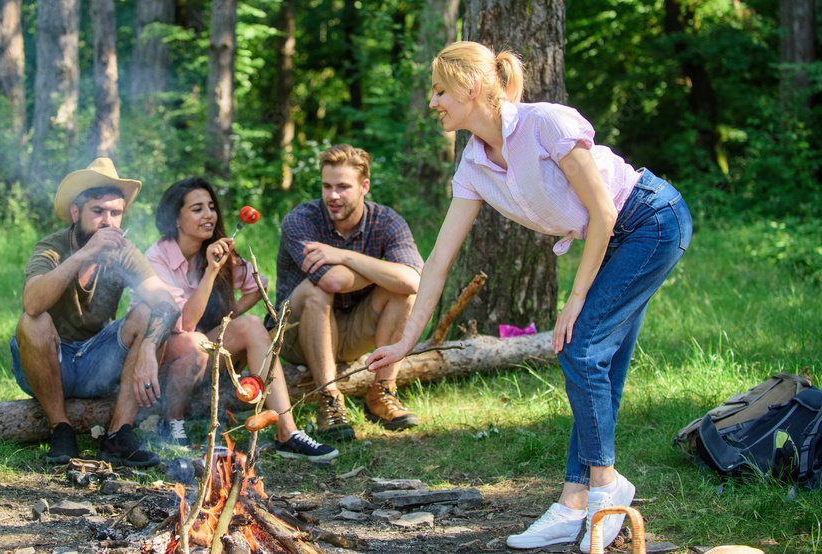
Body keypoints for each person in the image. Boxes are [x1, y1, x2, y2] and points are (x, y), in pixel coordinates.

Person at [365, 42, 692, 552]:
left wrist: (576, 295)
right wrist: (408, 340)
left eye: (439, 90)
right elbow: (437, 262)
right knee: (594, 362)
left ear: (471, 88)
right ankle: (573, 504)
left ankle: (607, 489)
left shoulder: (547, 124)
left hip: (651, 220)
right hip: (614, 237)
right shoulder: (474, 164)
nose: (433, 101)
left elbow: (604, 213)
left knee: (579, 346)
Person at [10, 157, 191, 467]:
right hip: (51, 363)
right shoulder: (51, 248)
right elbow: (32, 303)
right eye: (98, 212)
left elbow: (166, 301)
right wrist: (85, 253)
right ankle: (61, 429)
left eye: (115, 213)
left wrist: (149, 345)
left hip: (97, 362)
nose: (108, 222)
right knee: (33, 322)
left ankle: (119, 435)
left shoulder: (123, 251)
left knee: (149, 313)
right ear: (76, 213)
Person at [142, 177, 338, 462]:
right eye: (197, 209)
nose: (209, 215)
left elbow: (259, 285)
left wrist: (225, 319)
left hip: (201, 350)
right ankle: (172, 424)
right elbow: (183, 324)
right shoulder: (157, 257)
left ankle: (288, 432)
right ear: (176, 219)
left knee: (252, 325)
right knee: (194, 339)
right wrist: (210, 273)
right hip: (160, 359)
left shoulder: (216, 251)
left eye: (211, 207)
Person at [274, 144, 424, 442]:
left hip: (353, 330)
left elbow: (414, 281)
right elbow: (331, 281)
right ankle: (329, 398)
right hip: (294, 333)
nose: (333, 196)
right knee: (317, 290)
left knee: (402, 294)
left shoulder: (387, 222)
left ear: (364, 186)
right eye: (327, 186)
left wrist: (344, 256)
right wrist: (381, 272)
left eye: (343, 187)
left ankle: (382, 392)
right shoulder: (300, 220)